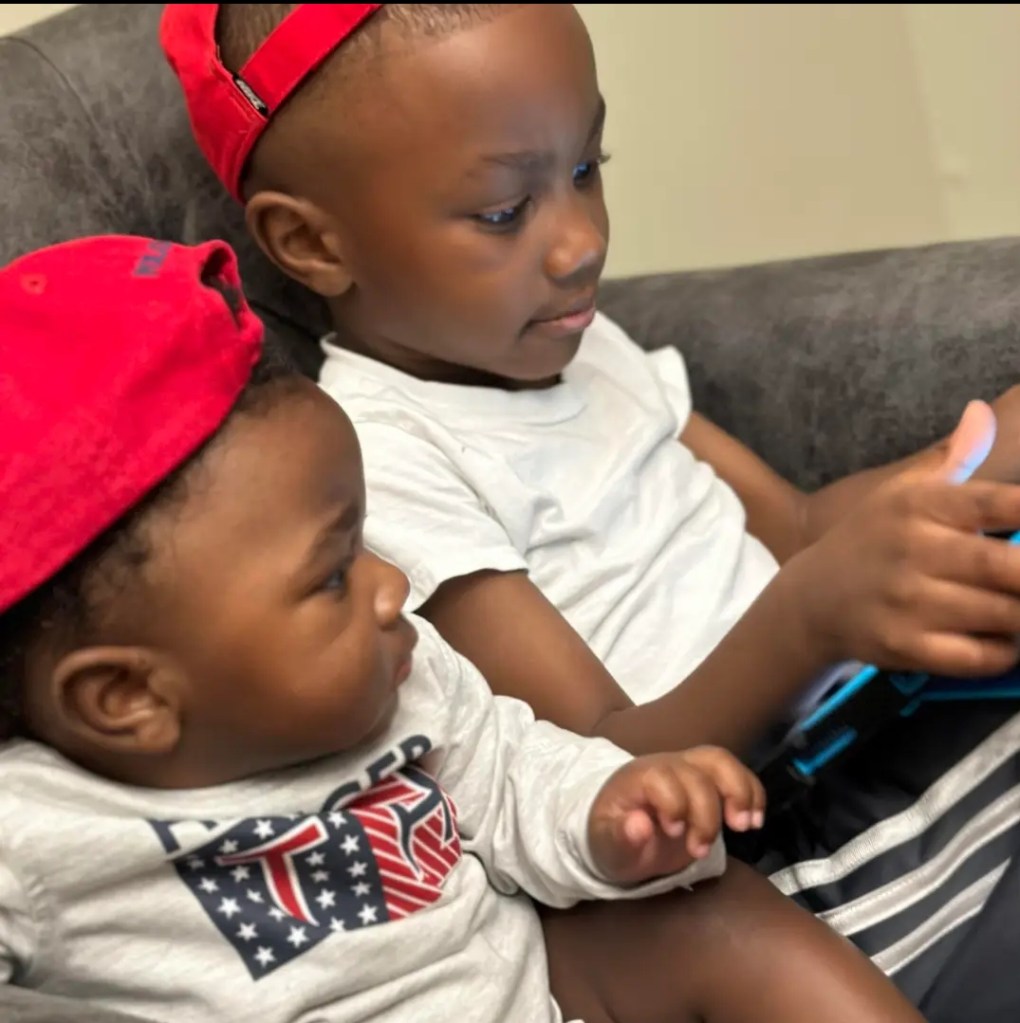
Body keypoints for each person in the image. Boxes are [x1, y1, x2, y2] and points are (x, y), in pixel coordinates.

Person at [162, 2, 1020, 1006]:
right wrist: (810, 618)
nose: (581, 244)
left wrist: (982, 454)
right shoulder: (377, 461)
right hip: (786, 848)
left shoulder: (576, 339)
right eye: (503, 212)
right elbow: (603, 767)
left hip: (879, 717)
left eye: (586, 168)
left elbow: (793, 528)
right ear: (311, 242)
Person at [0, 234, 925, 1023]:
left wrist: (611, 814)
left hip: (543, 995)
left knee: (709, 912)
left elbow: (517, 769)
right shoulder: (35, 834)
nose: (393, 584)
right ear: (127, 695)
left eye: (366, 541)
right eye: (333, 574)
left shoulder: (401, 676)